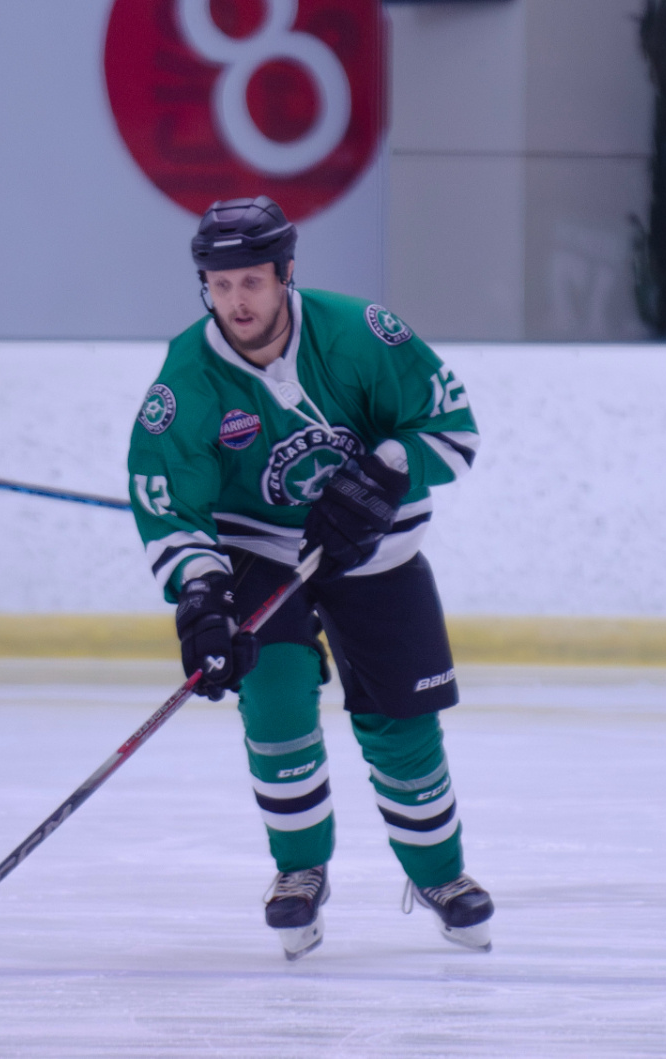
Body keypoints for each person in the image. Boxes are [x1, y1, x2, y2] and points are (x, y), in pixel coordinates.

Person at [126, 196, 494, 960]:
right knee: (276, 700)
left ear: (286, 273)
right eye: (220, 285)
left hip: (377, 552)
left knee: (403, 720)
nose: (236, 301)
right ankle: (299, 870)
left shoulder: (361, 333)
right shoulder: (186, 379)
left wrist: (387, 470)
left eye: (252, 282)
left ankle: (440, 875)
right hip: (261, 553)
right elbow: (171, 507)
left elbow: (454, 433)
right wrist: (201, 594)